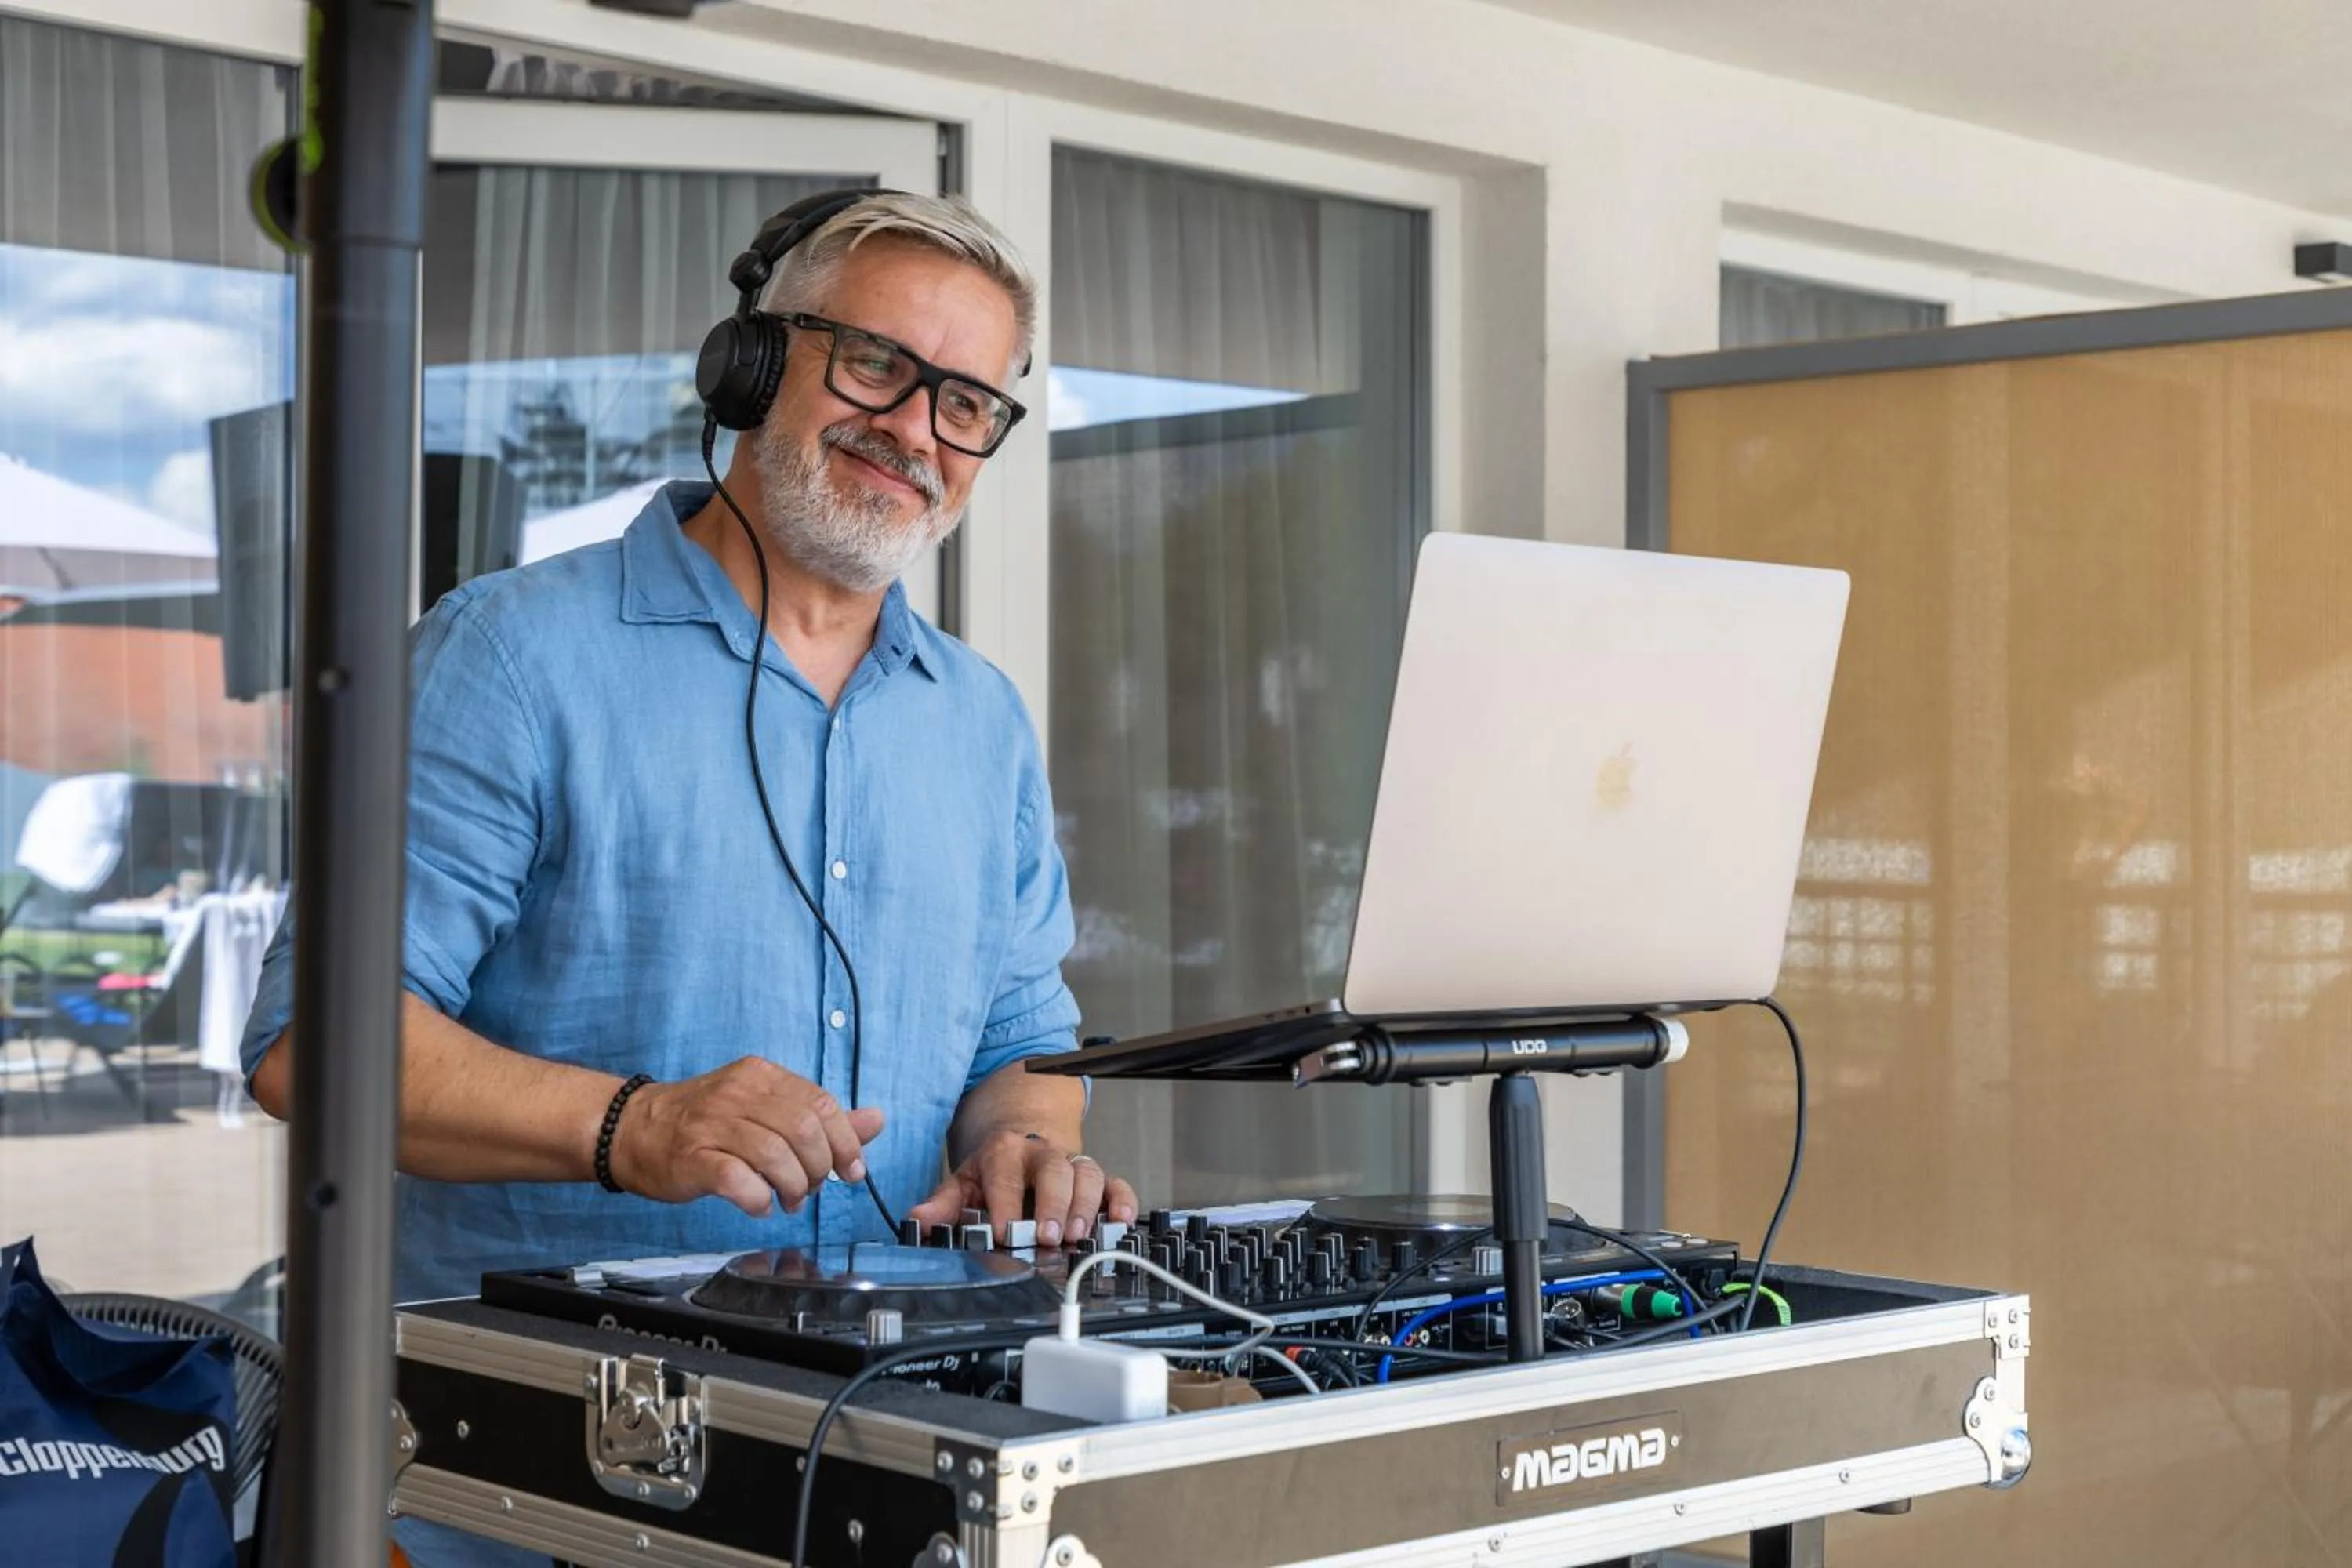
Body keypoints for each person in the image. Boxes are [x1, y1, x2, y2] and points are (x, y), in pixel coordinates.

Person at [240, 191, 1138, 1567]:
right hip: (519, 1498)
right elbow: (313, 1052)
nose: (916, 429)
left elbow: (1024, 1043)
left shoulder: (982, 719)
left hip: (884, 1467)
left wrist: (1027, 1147)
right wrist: (632, 1126)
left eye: (968, 402)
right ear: (756, 363)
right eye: (878, 364)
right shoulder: (507, 656)